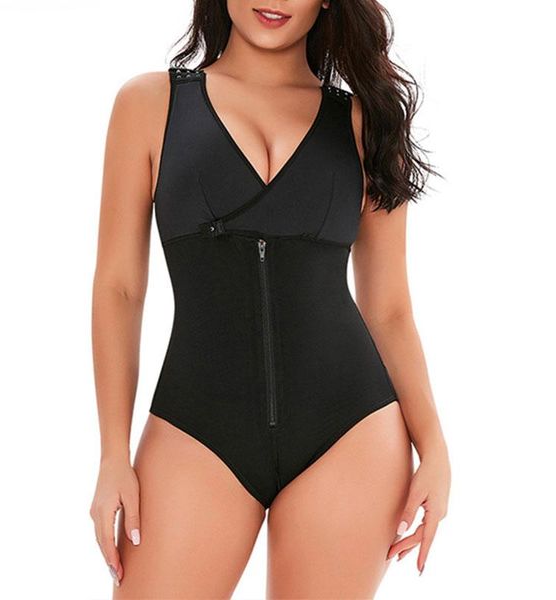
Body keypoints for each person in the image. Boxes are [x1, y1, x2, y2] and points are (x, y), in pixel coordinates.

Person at [89, 1, 451, 597]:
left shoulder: (366, 123)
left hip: (351, 432)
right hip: (196, 429)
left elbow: (389, 308)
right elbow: (119, 288)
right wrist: (111, 455)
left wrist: (433, 446)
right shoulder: (150, 104)